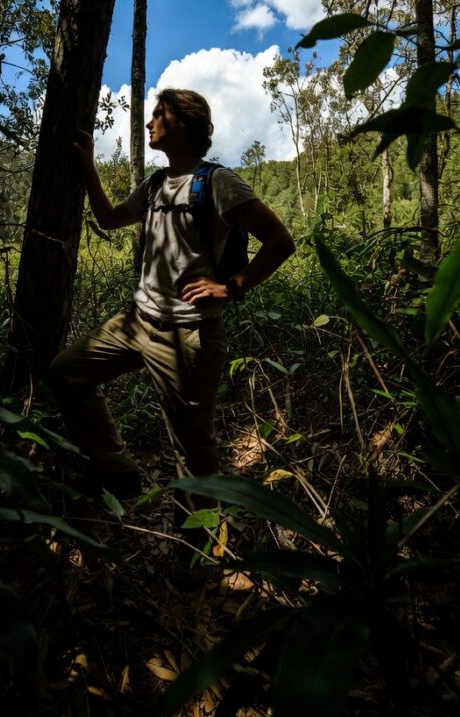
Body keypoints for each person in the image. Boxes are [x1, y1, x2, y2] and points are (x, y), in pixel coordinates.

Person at [49, 89, 295, 501]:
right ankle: (118, 471)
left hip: (189, 335)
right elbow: (110, 219)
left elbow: (279, 241)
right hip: (134, 322)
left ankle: (202, 544)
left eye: (159, 114)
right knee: (66, 372)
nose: (149, 122)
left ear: (184, 122)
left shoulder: (217, 182)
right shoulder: (154, 186)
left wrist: (231, 287)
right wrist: (88, 167)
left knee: (193, 450)